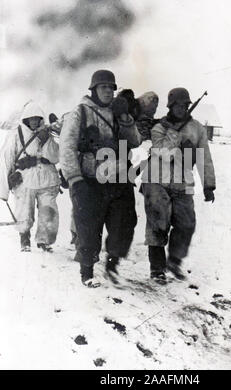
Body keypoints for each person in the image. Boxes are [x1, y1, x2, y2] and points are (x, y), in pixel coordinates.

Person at [59, 70, 142, 287]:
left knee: (124, 223)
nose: (108, 91)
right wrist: (74, 178)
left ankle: (112, 262)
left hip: (118, 178)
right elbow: (66, 147)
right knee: (88, 228)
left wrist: (125, 118)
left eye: (111, 87)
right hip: (89, 179)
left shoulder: (117, 112)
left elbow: (134, 142)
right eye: (103, 86)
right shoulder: (80, 112)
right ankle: (86, 271)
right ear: (94, 89)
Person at [141, 88, 216, 284]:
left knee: (187, 224)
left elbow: (204, 157)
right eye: (178, 105)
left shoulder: (197, 128)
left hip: (182, 182)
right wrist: (174, 132)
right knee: (158, 224)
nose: (182, 108)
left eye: (185, 105)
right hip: (156, 180)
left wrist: (209, 185)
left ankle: (173, 261)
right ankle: (157, 269)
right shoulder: (159, 128)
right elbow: (162, 153)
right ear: (171, 106)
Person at [0, 100, 60, 252]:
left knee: (48, 209)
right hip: (25, 179)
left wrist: (46, 140)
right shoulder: (16, 134)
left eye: (37, 118)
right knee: (24, 211)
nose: (34, 121)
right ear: (26, 119)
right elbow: (6, 158)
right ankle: (24, 237)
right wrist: (4, 189)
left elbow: (55, 157)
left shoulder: (47, 134)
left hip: (47, 178)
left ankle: (44, 241)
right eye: (31, 118)